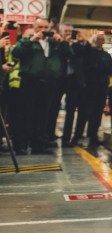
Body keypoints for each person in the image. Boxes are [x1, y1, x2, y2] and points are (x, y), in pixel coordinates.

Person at [10, 17, 69, 154]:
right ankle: (22, 144)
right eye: (40, 27)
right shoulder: (27, 41)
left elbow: (69, 54)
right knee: (26, 113)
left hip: (48, 83)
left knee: (43, 114)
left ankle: (38, 143)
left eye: (45, 27)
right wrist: (31, 41)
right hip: (30, 82)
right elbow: (16, 53)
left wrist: (62, 42)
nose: (43, 30)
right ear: (34, 27)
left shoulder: (54, 43)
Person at [73, 33, 112, 147]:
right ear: (93, 40)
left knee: (97, 114)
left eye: (101, 39)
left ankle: (93, 137)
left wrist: (103, 68)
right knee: (84, 113)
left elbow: (111, 69)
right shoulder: (87, 52)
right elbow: (82, 64)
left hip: (101, 88)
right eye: (97, 39)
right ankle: (77, 137)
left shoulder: (106, 55)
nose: (99, 41)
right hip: (88, 88)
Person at [61, 27, 90, 146]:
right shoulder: (59, 44)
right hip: (64, 81)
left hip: (78, 82)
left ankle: (77, 137)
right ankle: (65, 138)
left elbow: (87, 52)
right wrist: (65, 43)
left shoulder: (78, 46)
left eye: (70, 32)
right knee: (69, 111)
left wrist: (82, 41)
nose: (68, 34)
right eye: (66, 32)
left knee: (81, 111)